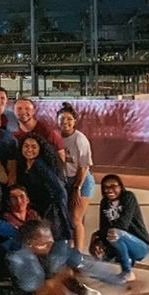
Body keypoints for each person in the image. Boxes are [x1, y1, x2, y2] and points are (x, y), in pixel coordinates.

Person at [7, 219, 117, 295]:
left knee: (65, 275)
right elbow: (33, 285)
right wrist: (60, 275)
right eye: (45, 243)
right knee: (53, 285)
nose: (50, 245)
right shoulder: (18, 258)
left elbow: (83, 264)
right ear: (30, 243)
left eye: (51, 242)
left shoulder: (50, 254)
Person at [90, 174, 149, 282]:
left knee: (115, 233)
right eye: (105, 187)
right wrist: (97, 239)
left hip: (140, 246)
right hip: (118, 238)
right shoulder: (105, 202)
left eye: (113, 186)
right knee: (103, 250)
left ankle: (127, 272)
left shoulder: (128, 197)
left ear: (120, 187)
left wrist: (106, 232)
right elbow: (103, 226)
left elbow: (124, 223)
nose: (109, 190)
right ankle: (126, 259)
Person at [17, 134, 72, 242]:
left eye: (34, 147)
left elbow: (60, 191)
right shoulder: (23, 164)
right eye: (26, 146)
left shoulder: (40, 165)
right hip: (36, 210)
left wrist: (64, 219)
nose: (29, 150)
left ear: (40, 149)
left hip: (49, 211)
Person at [58, 102, 96, 251]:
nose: (65, 122)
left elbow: (84, 166)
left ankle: (78, 254)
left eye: (69, 119)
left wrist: (77, 187)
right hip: (65, 180)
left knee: (75, 218)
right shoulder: (56, 137)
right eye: (62, 119)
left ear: (75, 121)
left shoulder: (80, 139)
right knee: (66, 217)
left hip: (81, 180)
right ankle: (70, 247)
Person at [12, 97, 65, 163]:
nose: (23, 111)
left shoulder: (48, 131)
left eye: (27, 108)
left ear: (33, 111)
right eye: (19, 108)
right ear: (13, 111)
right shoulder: (13, 132)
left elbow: (61, 154)